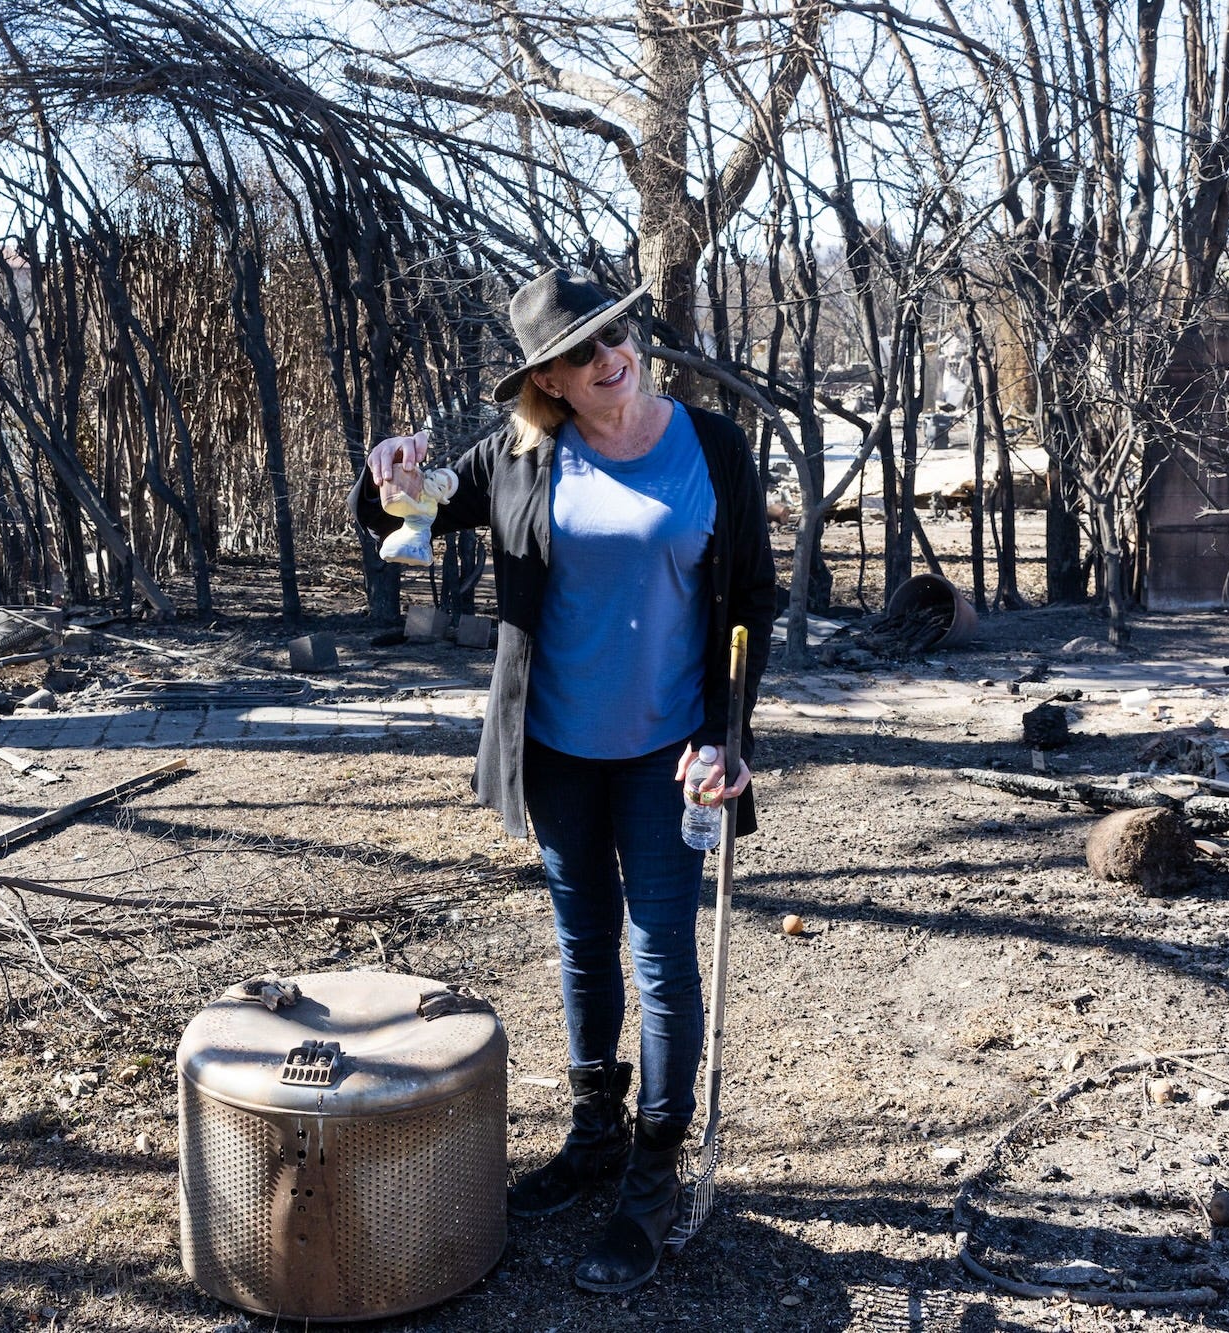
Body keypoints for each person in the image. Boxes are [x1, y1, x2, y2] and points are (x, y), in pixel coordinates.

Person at [349, 268, 774, 1294]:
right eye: (581, 351)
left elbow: (753, 598)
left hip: (669, 753)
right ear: (548, 377)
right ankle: (593, 1134)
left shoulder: (711, 447)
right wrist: (387, 471)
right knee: (583, 943)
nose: (609, 356)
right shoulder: (519, 457)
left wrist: (729, 733)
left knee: (661, 955)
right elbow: (400, 516)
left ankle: (652, 1171)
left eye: (613, 334)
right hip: (555, 749)